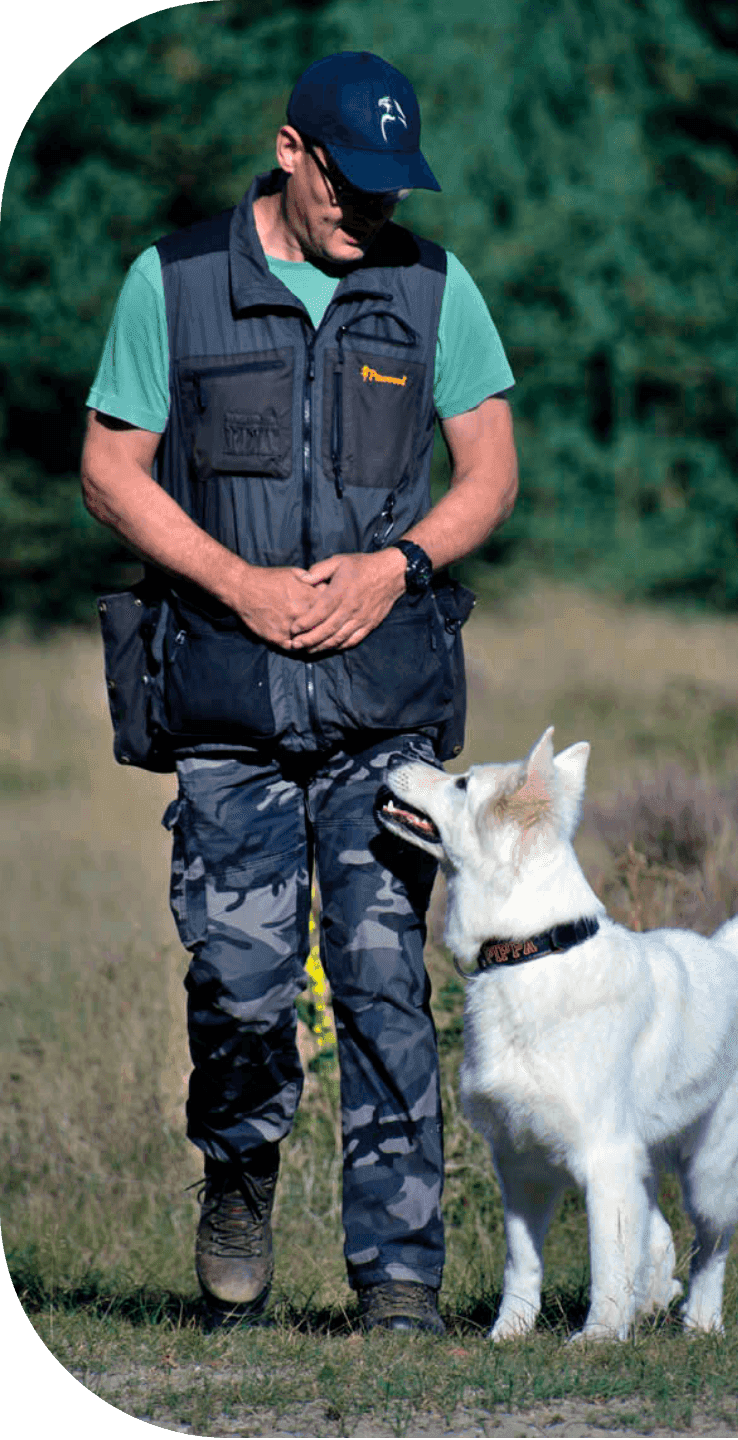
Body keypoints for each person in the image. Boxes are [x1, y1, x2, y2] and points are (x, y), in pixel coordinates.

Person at [80, 52, 519, 1334]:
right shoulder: (173, 284)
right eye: (349, 182)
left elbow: (488, 471)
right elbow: (112, 470)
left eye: (393, 187)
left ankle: (399, 1285)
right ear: (290, 151)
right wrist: (237, 581)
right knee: (238, 990)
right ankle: (238, 1177)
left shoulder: (433, 287)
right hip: (227, 707)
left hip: (383, 712)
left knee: (385, 985)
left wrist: (401, 565)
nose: (370, 210)